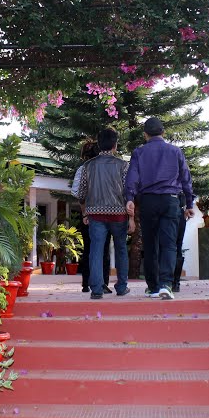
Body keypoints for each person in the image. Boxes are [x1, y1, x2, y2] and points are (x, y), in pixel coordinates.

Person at [125, 117, 195, 300]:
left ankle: (153, 287)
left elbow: (132, 177)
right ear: (163, 132)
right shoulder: (175, 151)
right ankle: (166, 284)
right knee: (169, 244)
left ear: (145, 134)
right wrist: (189, 203)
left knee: (150, 245)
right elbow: (186, 178)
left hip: (147, 201)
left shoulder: (139, 152)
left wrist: (130, 198)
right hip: (171, 201)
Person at [76, 127, 134, 298]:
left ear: (99, 144)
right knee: (121, 249)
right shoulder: (124, 166)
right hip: (119, 215)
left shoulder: (88, 166)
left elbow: (81, 194)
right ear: (115, 145)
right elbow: (128, 193)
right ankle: (122, 287)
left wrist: (86, 213)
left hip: (96, 215)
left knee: (96, 250)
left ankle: (96, 290)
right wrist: (131, 218)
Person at [72, 140, 110, 294]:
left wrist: (84, 212)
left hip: (89, 214)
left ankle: (86, 283)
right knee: (104, 250)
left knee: (89, 249)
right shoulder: (108, 168)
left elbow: (78, 194)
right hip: (107, 214)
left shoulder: (83, 169)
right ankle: (103, 282)